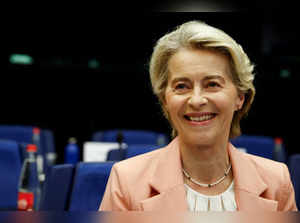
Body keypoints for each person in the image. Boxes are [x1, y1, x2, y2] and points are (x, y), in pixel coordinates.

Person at [99, 20, 297, 211]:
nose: (196, 100)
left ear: (240, 97)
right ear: (165, 100)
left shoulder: (276, 182)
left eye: (212, 84)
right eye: (182, 86)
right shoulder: (126, 181)